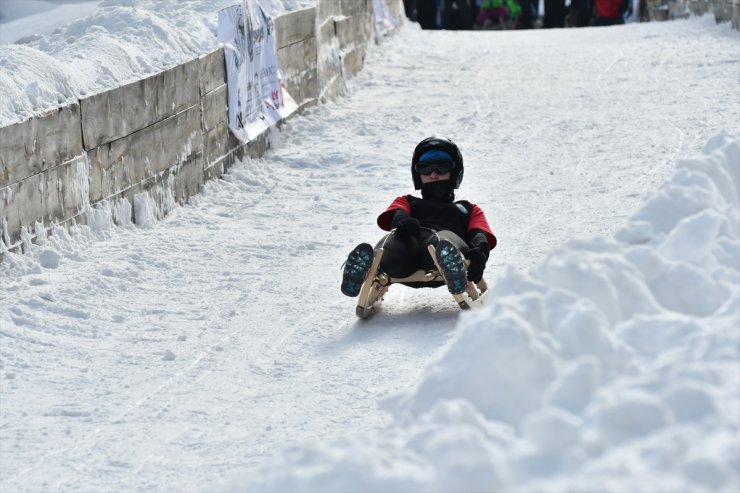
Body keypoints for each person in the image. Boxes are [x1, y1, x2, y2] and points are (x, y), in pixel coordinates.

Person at [341, 137, 497, 298]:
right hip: (406, 254)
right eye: (426, 169)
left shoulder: (468, 209)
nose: (433, 174)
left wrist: (480, 251)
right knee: (395, 240)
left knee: (442, 240)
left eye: (442, 167)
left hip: (440, 255)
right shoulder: (407, 201)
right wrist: (402, 221)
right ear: (418, 174)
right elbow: (397, 213)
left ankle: (450, 262)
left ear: (455, 171)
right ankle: (369, 265)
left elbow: (480, 234)